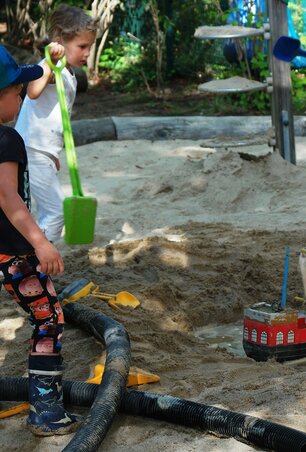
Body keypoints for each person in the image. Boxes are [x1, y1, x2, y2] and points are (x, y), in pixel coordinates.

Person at [0, 45, 79, 436]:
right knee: (49, 318)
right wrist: (41, 244)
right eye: (16, 92)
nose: (20, 100)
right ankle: (46, 412)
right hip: (12, 253)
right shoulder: (7, 139)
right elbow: (8, 197)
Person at [15, 5, 99, 242]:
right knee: (55, 211)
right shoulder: (52, 68)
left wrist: (53, 154)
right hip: (32, 149)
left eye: (90, 47)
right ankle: (41, 258)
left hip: (42, 151)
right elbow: (33, 91)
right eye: (82, 46)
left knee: (44, 210)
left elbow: (54, 116)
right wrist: (50, 61)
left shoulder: (67, 72)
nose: (87, 53)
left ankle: (34, 257)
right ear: (60, 42)